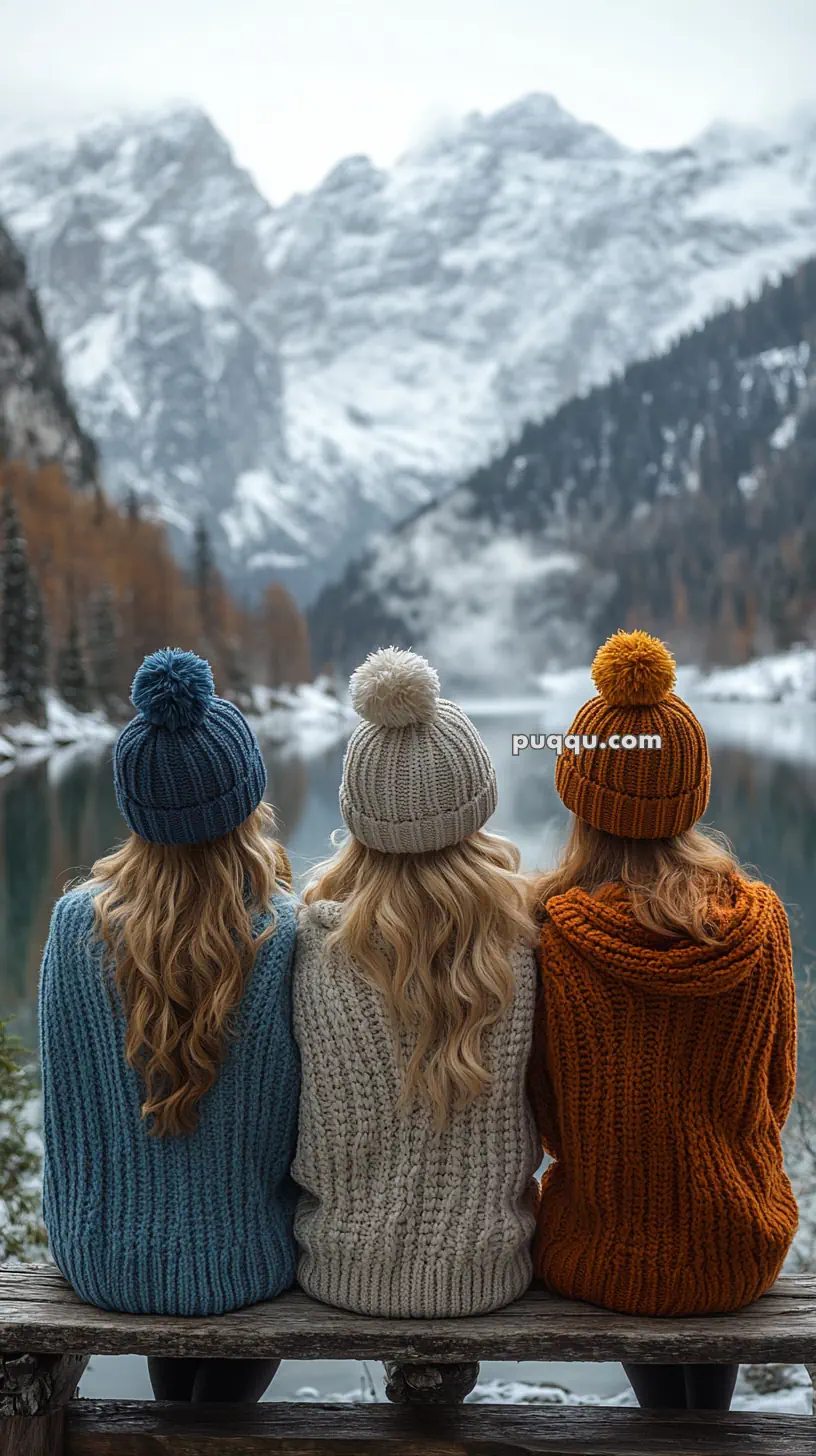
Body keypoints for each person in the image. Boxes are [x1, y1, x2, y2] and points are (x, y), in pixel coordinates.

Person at [528, 628, 798, 1412]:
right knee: (700, 1416)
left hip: (602, 1250)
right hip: (737, 1245)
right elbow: (774, 1094)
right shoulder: (760, 923)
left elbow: (547, 1117)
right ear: (692, 792)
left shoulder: (555, 933)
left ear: (580, 797)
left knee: (665, 1411)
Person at [39, 648, 299, 1405]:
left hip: (100, 1258)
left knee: (178, 1407)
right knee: (216, 1403)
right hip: (245, 1259)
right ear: (248, 798)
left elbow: (66, 1111)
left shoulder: (73, 923)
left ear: (136, 808)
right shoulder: (281, 932)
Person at [292, 646, 540, 1318]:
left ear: (357, 814)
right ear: (476, 804)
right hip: (487, 1277)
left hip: (342, 1274)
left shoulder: (315, 945)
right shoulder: (522, 939)